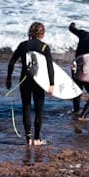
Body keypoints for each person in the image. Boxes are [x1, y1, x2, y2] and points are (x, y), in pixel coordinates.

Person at [6, 21, 55, 151]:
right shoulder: (44, 47)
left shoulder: (23, 45)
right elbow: (50, 66)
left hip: (24, 81)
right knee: (39, 110)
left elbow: (11, 63)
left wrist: (8, 79)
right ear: (42, 34)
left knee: (26, 108)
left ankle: (28, 139)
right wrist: (51, 84)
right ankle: (37, 139)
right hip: (39, 82)